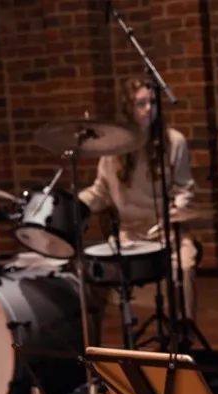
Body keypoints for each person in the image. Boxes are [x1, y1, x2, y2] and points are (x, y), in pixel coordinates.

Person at [77, 78, 201, 344]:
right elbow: (100, 191)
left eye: (153, 102)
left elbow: (184, 189)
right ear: (128, 109)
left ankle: (183, 339)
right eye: (141, 103)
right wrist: (75, 205)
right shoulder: (112, 149)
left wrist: (175, 218)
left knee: (184, 268)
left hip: (168, 232)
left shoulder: (173, 141)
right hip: (129, 235)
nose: (149, 109)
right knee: (90, 274)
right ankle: (92, 348)